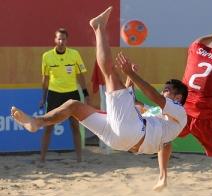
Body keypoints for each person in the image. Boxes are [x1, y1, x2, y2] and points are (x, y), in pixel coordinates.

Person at [11, 7, 188, 157]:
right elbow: (130, 103)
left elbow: (155, 97)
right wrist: (129, 79)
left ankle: (98, 27)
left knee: (110, 74)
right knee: (73, 105)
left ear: (178, 97)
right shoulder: (158, 114)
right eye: (164, 89)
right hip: (120, 138)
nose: (164, 92)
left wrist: (131, 76)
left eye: (168, 90)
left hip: (130, 134)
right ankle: (37, 121)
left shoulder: (179, 113)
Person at [154, 27, 212, 196]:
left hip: (182, 111)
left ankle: (163, 176)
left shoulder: (196, 48)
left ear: (208, 47)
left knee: (164, 136)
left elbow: (199, 40)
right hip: (204, 118)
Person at [39, 28, 90, 162]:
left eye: (64, 39)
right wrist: (43, 98)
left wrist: (85, 94)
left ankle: (79, 159)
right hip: (54, 94)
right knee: (48, 126)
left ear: (67, 40)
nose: (61, 41)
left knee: (75, 126)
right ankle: (42, 159)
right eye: (59, 39)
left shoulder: (74, 54)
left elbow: (80, 75)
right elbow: (45, 79)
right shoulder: (46, 56)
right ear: (55, 40)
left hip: (71, 94)